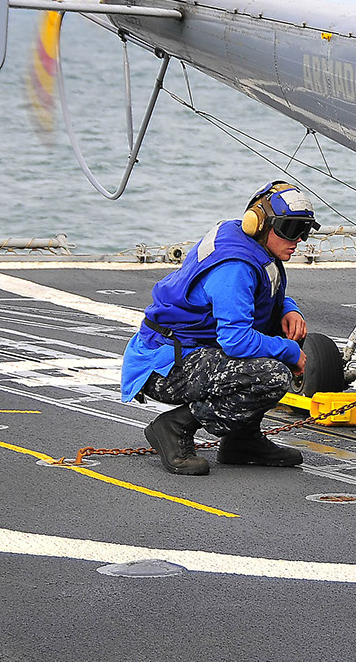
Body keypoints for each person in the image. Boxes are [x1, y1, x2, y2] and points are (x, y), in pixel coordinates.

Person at [120, 181, 321, 475]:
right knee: (273, 374)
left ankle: (242, 440)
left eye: (304, 230)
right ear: (261, 224)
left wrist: (288, 308)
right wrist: (290, 352)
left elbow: (256, 295)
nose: (299, 240)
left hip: (190, 350)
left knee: (283, 338)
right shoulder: (235, 267)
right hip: (164, 365)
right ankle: (175, 427)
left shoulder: (249, 241)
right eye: (290, 229)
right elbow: (237, 341)